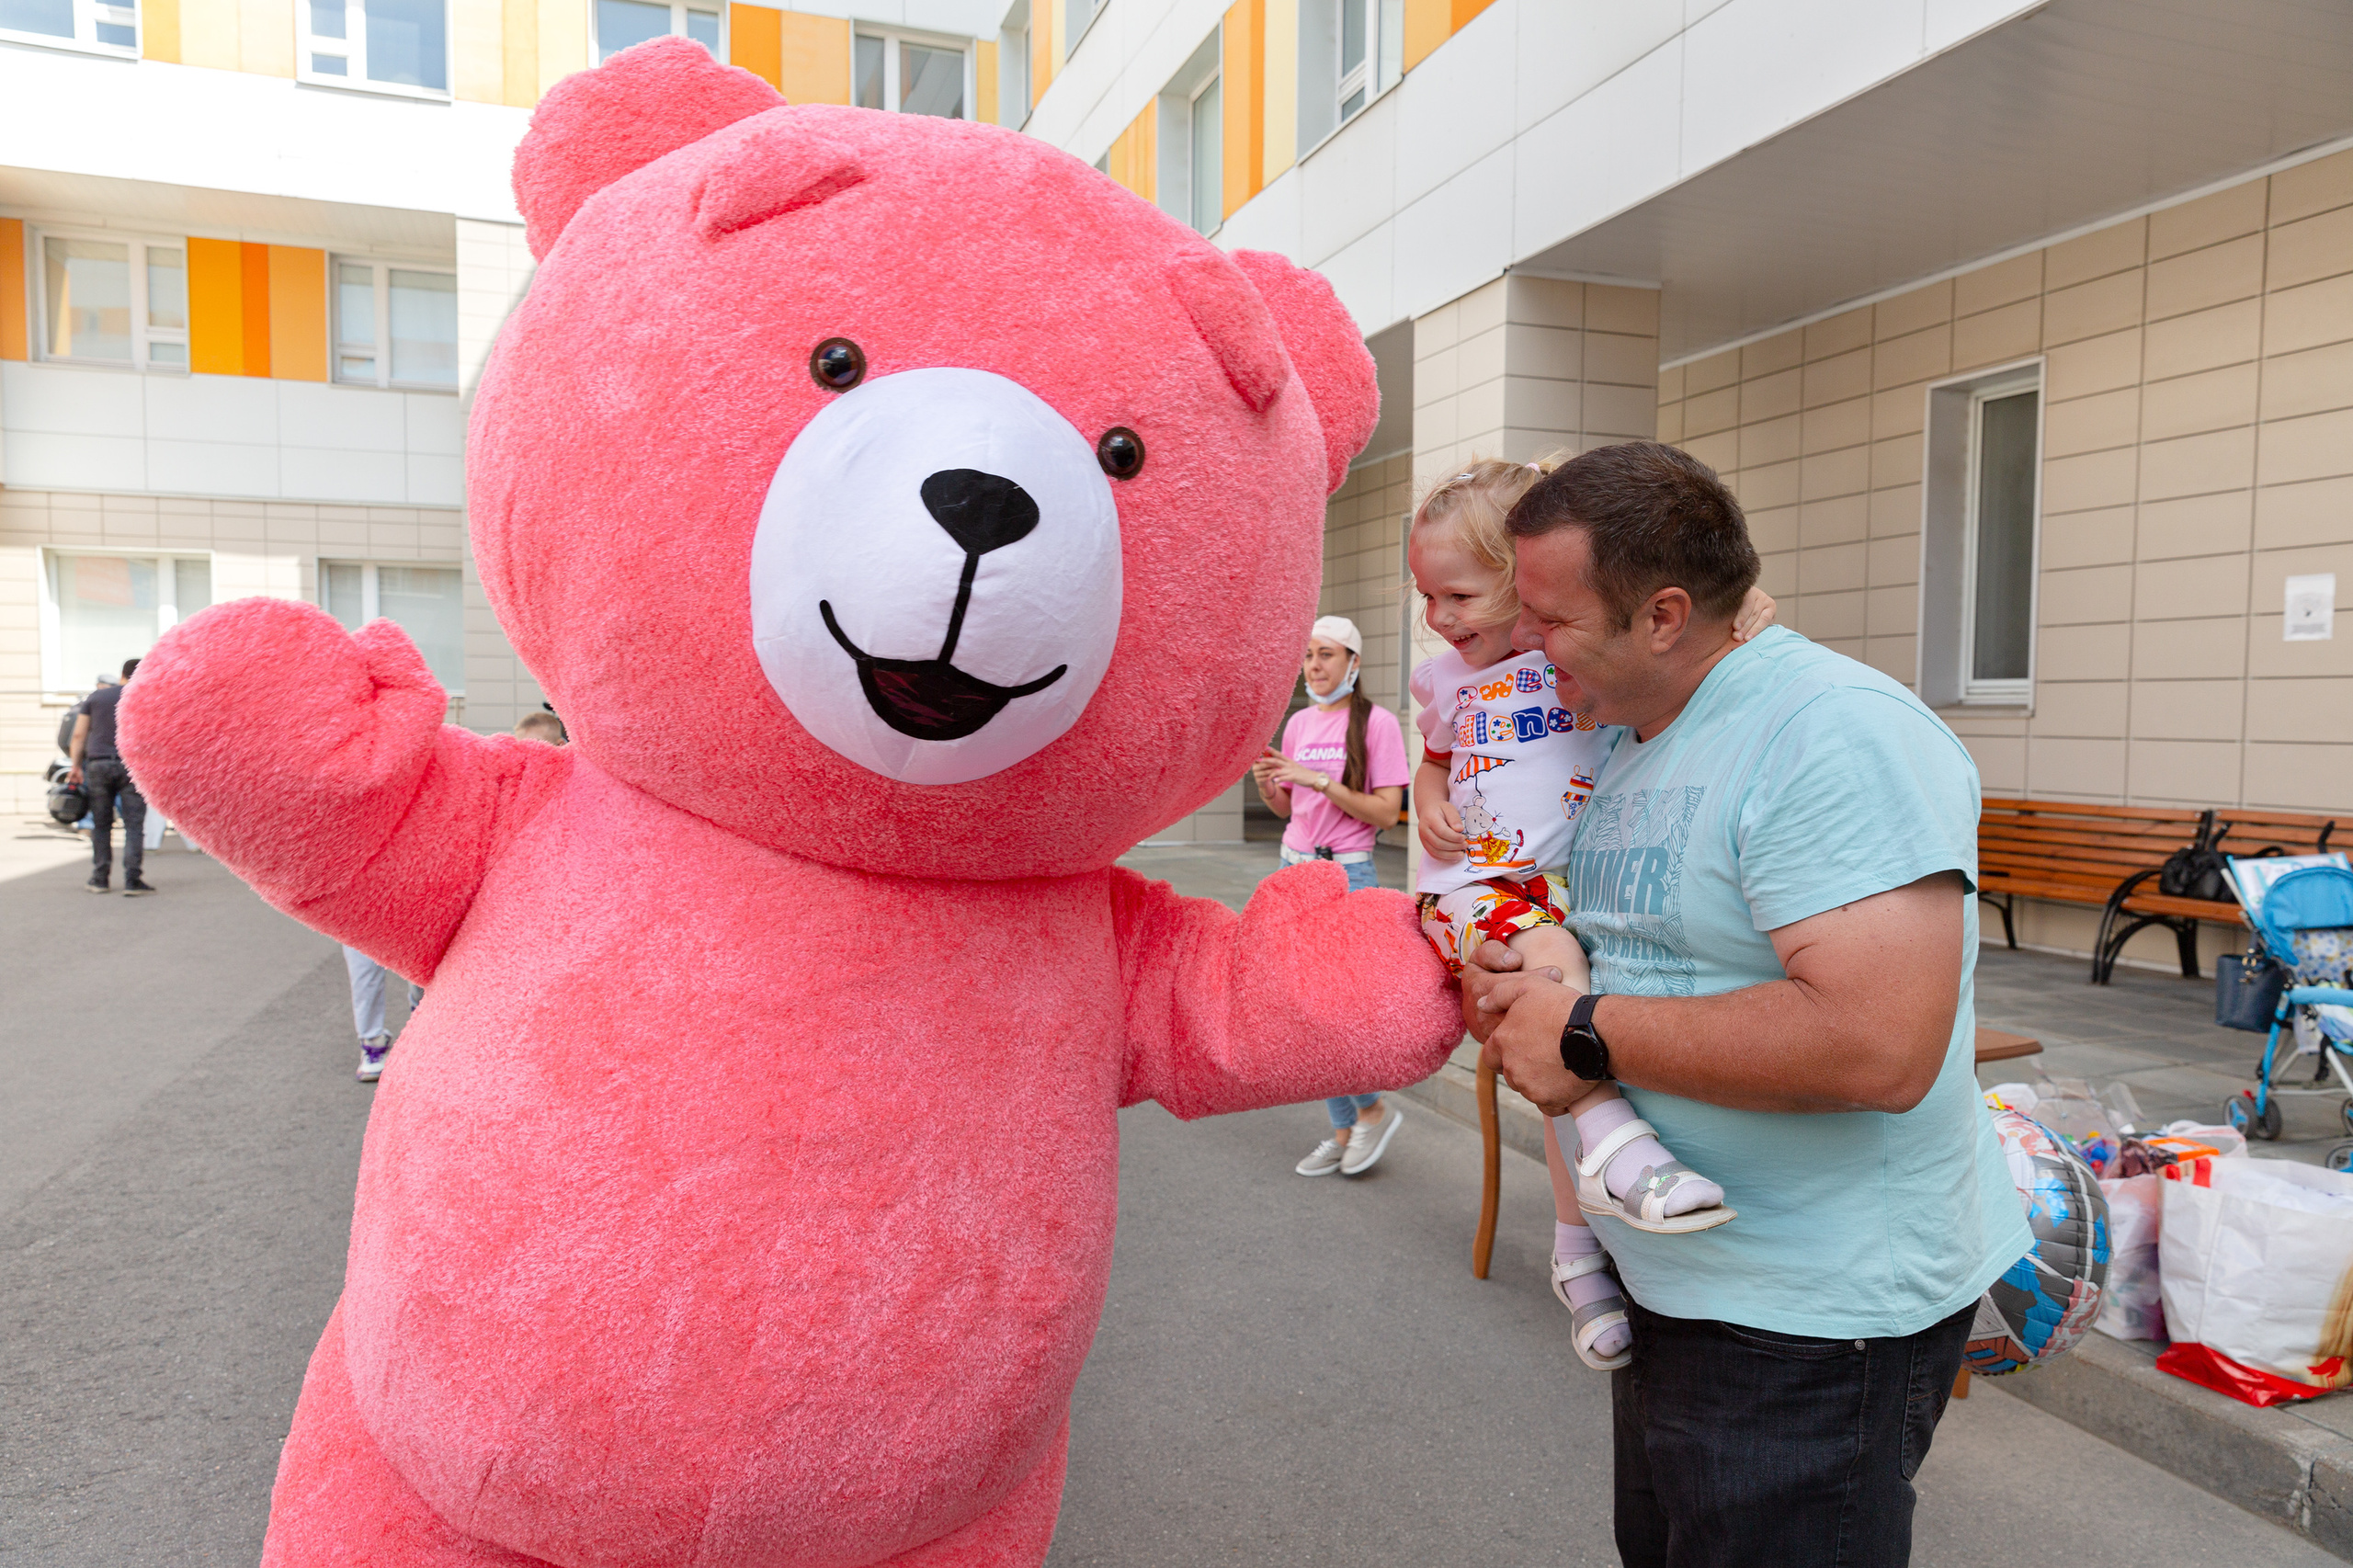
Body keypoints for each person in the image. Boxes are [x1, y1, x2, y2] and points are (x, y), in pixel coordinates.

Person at [1460, 441, 2030, 1567]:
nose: (1523, 640)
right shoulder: (1634, 728)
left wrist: (1579, 1031)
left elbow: (1877, 1044)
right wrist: (1540, 964)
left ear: (1664, 613)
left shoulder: (1835, 733)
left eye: (1553, 615)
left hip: (1813, 1317)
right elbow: (1658, 943)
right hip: (1683, 1277)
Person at [1407, 458, 1779, 1370]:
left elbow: (1661, 577)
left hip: (1567, 885)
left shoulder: (1569, 654)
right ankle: (1618, 1157)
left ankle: (1580, 1252)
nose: (1440, 619)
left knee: (1559, 1025)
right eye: (1427, 597)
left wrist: (1748, 601)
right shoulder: (1441, 682)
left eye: (1458, 594)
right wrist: (1425, 793)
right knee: (1552, 985)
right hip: (1473, 890)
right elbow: (1433, 759)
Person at [1251, 615, 1412, 1178]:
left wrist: (1319, 780)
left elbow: (1387, 814)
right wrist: (1272, 786)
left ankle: (1371, 1109)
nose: (1314, 667)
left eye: (1326, 655)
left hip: (1346, 878)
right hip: (1292, 870)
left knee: (1331, 1013)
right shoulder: (1297, 724)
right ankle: (1344, 1130)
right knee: (1301, 1010)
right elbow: (1287, 813)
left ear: (1353, 663)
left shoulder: (1378, 725)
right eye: (1308, 656)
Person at [344, 711, 563, 1083]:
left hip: (428, 890)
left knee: (427, 968)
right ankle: (373, 1043)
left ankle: (425, 1023)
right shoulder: (359, 776)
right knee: (366, 970)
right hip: (372, 886)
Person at [65, 658, 153, 895]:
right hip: (131, 768)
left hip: (98, 765)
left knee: (102, 824)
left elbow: (78, 735)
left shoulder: (96, 697)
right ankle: (133, 880)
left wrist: (75, 766)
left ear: (121, 674)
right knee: (134, 825)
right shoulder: (145, 698)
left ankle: (99, 879)